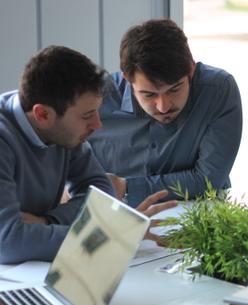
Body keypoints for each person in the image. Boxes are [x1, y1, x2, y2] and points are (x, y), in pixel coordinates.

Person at [0, 46, 176, 264]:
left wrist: (48, 221)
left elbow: (102, 191)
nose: (97, 125)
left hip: (35, 268)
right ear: (43, 114)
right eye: (87, 116)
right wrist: (110, 236)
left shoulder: (63, 132)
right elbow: (8, 243)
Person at [88, 19, 243, 207]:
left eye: (174, 89)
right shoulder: (93, 100)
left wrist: (127, 187)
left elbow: (208, 180)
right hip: (115, 218)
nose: (163, 107)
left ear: (191, 69)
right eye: (149, 94)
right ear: (127, 79)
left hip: (202, 213)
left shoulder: (217, 89)